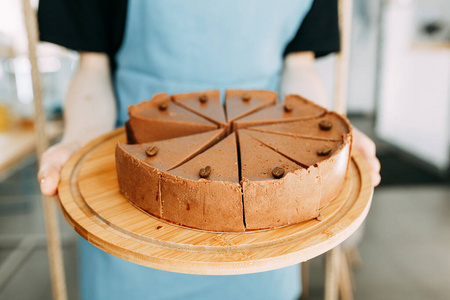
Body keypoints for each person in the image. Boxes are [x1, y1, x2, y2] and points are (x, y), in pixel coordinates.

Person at [37, 1, 381, 299]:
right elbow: (92, 68)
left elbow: (299, 66)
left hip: (261, 235)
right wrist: (82, 138)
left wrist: (319, 136)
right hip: (134, 220)